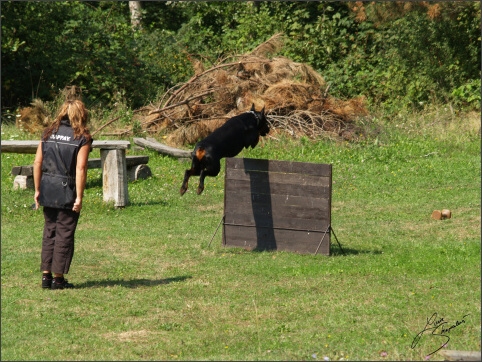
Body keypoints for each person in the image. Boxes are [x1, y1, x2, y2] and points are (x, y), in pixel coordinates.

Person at [33, 99, 93, 289]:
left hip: (48, 187)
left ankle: (45, 277)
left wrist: (37, 189)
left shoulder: (48, 133)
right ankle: (58, 280)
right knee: (64, 233)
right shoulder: (82, 136)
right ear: (81, 114)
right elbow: (81, 168)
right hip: (67, 189)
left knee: (49, 231)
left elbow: (37, 163)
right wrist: (79, 197)